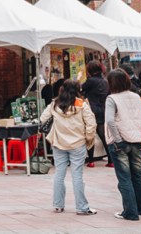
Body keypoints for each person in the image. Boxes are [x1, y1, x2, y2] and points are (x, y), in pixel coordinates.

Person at [39, 79, 97, 215]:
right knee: (77, 175)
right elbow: (91, 124)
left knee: (59, 174)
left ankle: (58, 205)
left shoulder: (55, 104)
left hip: (59, 143)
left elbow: (42, 118)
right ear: (77, 90)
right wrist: (88, 139)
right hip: (78, 144)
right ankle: (82, 207)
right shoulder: (82, 104)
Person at [105, 67, 141, 220]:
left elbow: (110, 120)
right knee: (136, 176)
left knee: (124, 178)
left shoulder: (112, 98)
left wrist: (117, 139)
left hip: (120, 142)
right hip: (136, 140)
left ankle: (130, 212)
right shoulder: (136, 96)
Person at [81, 61, 109, 167]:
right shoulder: (105, 81)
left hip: (91, 109)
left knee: (90, 133)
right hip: (103, 109)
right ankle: (110, 160)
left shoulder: (91, 81)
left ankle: (91, 161)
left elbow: (81, 88)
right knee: (103, 135)